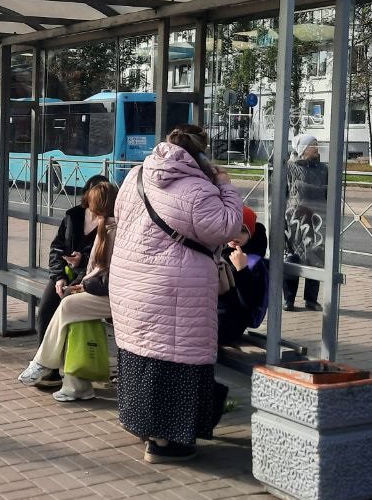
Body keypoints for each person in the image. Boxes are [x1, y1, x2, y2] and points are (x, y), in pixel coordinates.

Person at [109, 123, 243, 464]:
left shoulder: (137, 175)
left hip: (132, 284)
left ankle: (143, 425)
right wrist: (226, 186)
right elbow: (227, 226)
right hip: (173, 293)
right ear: (201, 153)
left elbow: (120, 216)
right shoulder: (197, 189)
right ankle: (165, 443)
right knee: (173, 359)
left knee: (141, 355)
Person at [19, 180, 118, 401]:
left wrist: (82, 276)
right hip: (75, 278)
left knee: (68, 306)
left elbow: (104, 270)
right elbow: (57, 248)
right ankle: (60, 375)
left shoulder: (113, 229)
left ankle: (44, 364)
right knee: (49, 308)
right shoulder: (74, 216)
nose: (90, 210)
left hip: (98, 286)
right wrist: (59, 277)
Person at [284, 133, 329, 311]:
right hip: (295, 219)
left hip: (317, 219)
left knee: (315, 257)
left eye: (317, 144)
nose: (316, 147)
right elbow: (283, 192)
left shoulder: (323, 169)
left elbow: (328, 192)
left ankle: (311, 299)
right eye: (313, 145)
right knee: (293, 258)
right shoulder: (290, 167)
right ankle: (288, 299)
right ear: (303, 148)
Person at [218, 206, 271, 345]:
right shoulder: (220, 250)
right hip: (212, 317)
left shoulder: (253, 262)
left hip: (229, 324)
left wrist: (242, 270)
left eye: (242, 230)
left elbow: (248, 306)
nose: (236, 234)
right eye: (232, 228)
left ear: (250, 234)